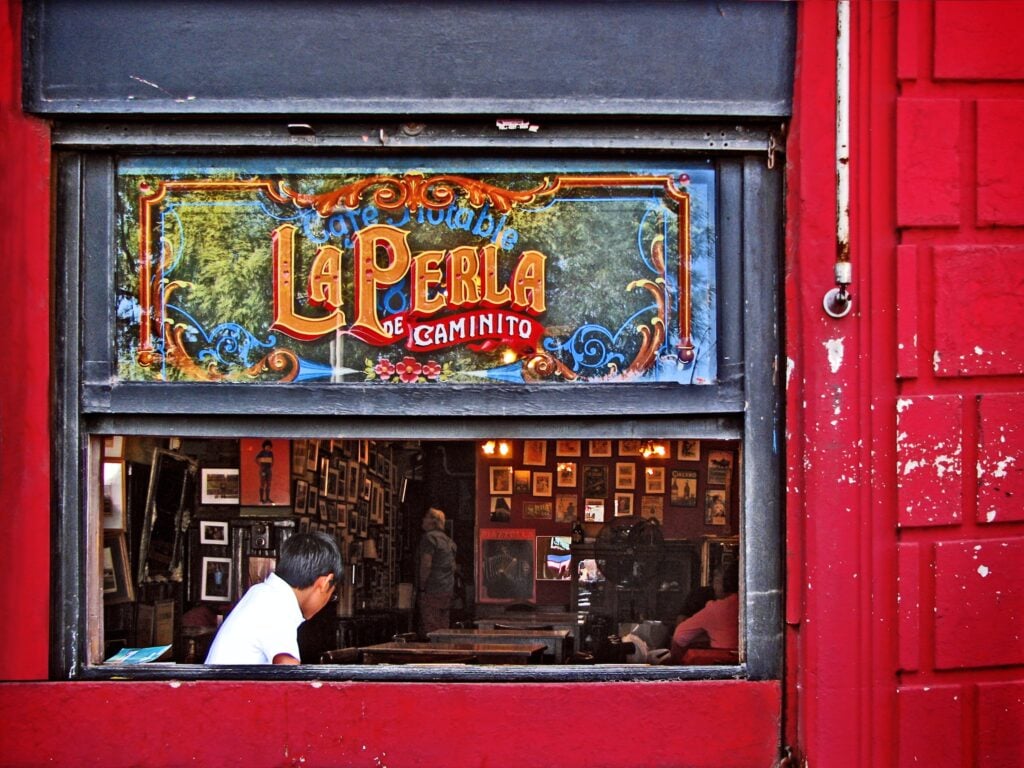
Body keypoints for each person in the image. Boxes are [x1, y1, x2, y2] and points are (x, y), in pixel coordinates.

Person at [206, 532, 341, 664]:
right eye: (332, 596)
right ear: (324, 583)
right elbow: (287, 666)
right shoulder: (276, 603)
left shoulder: (263, 593)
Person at [669, 559, 739, 664]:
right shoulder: (751, 603)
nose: (714, 586)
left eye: (716, 581)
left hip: (722, 667)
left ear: (726, 583)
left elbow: (679, 636)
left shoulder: (716, 608)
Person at [416, 507, 457, 638]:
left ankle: (432, 655)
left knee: (431, 627)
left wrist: (422, 587)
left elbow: (426, 564)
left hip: (432, 588)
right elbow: (453, 566)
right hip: (447, 589)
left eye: (426, 517)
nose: (423, 519)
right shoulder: (448, 541)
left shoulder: (429, 538)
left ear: (433, 521)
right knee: (443, 628)